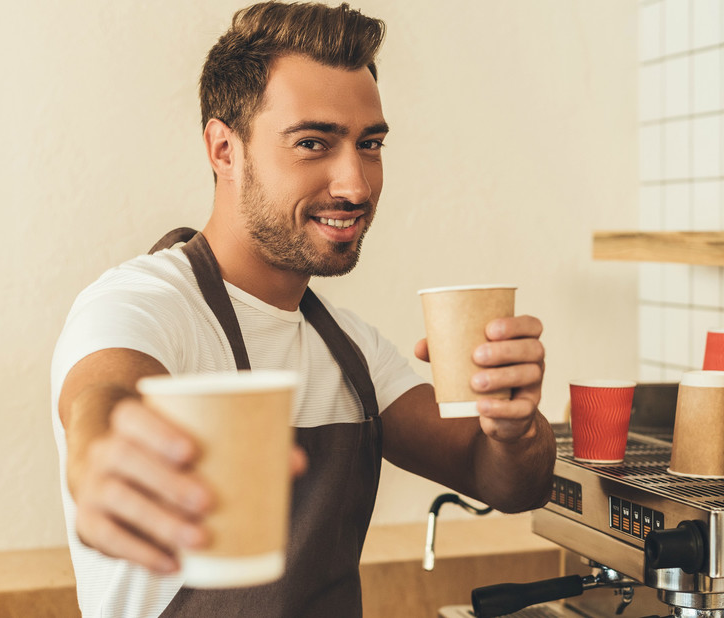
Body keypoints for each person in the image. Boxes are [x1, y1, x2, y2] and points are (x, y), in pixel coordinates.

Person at [51, 2, 555, 616]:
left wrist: (515, 428)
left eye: (369, 145)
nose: (356, 185)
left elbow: (506, 482)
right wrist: (101, 450)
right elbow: (100, 394)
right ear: (224, 150)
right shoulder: (145, 303)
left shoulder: (351, 348)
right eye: (313, 143)